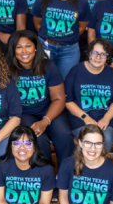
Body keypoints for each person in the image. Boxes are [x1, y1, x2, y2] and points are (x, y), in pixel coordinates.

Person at [5, 30, 74, 164]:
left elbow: (59, 99)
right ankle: (45, 177)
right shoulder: (7, 69)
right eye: (19, 47)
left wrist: (45, 121)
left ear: (35, 47)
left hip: (48, 110)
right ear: (13, 50)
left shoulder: (49, 66)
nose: (24, 51)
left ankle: (65, 176)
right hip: (23, 113)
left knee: (65, 135)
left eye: (28, 46)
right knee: (38, 138)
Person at [31, 0, 91, 75]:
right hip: (45, 47)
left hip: (70, 51)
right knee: (44, 81)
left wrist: (66, 38)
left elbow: (82, 26)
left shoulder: (81, 0)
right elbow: (37, 23)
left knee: (66, 84)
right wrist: (49, 38)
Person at [64, 38, 113, 150]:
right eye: (95, 53)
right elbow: (68, 101)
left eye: (103, 54)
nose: (98, 57)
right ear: (89, 53)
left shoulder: (112, 74)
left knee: (107, 138)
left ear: (108, 57)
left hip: (105, 119)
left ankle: (99, 167)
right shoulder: (76, 71)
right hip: (80, 119)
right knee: (89, 138)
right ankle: (85, 167)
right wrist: (85, 117)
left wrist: (106, 118)